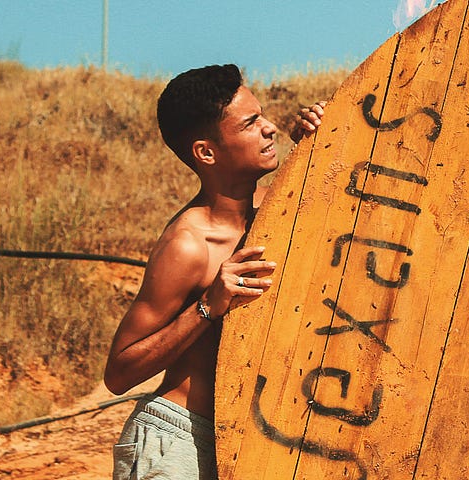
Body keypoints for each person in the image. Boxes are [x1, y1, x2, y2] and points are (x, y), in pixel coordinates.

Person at [103, 64, 326, 480]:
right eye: (251, 123)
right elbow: (119, 372)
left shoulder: (276, 209)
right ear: (206, 152)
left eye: (262, 115)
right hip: (180, 442)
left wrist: (322, 141)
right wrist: (208, 305)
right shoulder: (188, 245)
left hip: (252, 442)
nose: (270, 128)